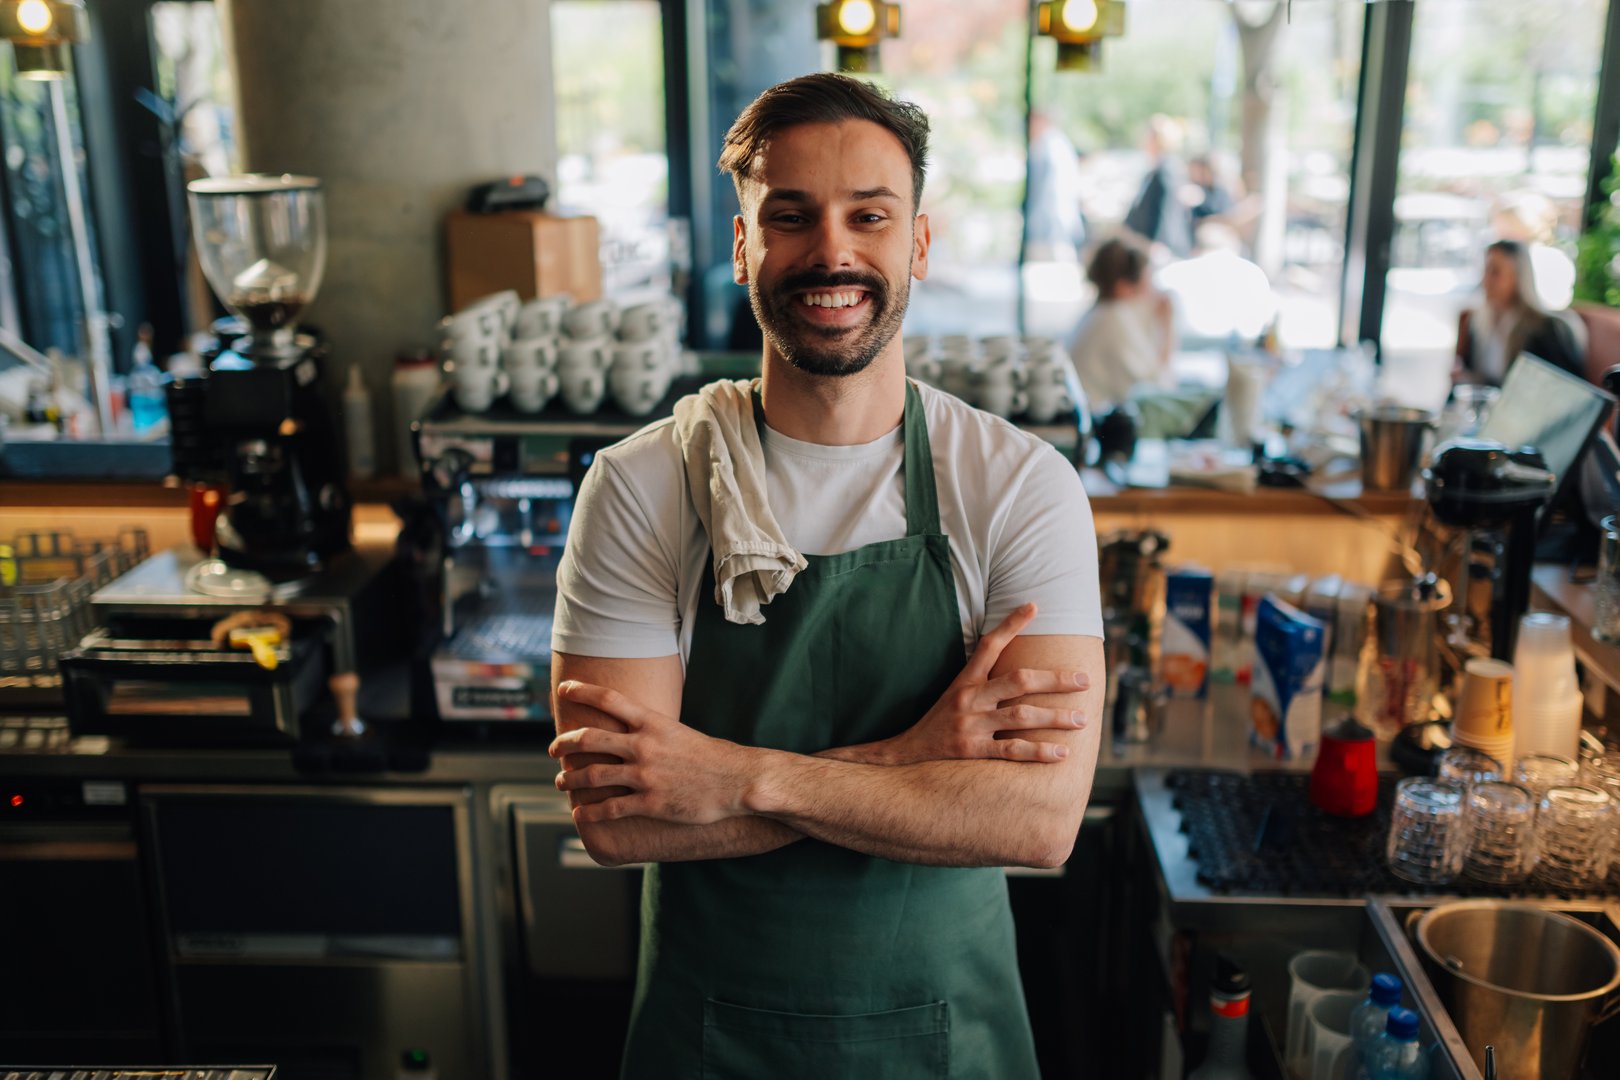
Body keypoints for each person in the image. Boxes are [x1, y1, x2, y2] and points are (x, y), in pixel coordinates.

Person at [548, 73, 1104, 1079]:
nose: (832, 252)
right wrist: (913, 762)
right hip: (708, 1041)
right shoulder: (644, 487)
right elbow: (622, 822)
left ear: (919, 244)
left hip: (949, 1038)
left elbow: (1036, 820)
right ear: (743, 243)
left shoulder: (1017, 486)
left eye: (869, 216)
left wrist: (732, 779)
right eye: (791, 216)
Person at [1455, 238, 1585, 385]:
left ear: (1519, 277)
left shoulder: (1547, 329)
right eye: (1485, 270)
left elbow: (1565, 387)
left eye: (1495, 272)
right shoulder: (1476, 321)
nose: (1485, 281)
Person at [1070, 236, 1175, 407]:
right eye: (1146, 282)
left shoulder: (1102, 313)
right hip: (1101, 422)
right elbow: (1157, 389)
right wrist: (1167, 327)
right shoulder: (1114, 319)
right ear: (1123, 287)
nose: (1152, 291)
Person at [1123, 114, 1192, 258]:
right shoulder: (1155, 171)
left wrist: (1158, 243)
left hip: (1162, 248)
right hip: (1149, 245)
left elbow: (1165, 210)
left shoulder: (1166, 171)